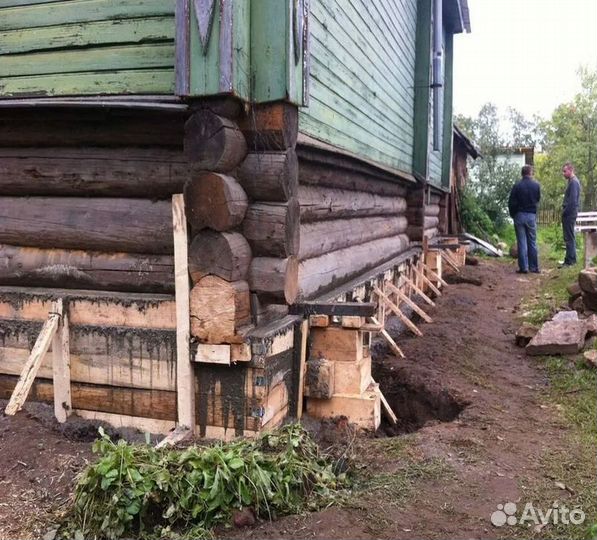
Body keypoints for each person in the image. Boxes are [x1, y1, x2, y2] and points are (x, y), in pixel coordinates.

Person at [508, 164, 541, 274]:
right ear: (530, 173)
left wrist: (513, 214)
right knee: (532, 241)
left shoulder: (517, 186)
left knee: (522, 242)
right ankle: (534, 267)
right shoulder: (536, 185)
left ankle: (524, 267)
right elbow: (537, 199)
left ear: (522, 173)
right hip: (531, 215)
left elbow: (511, 202)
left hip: (519, 215)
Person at [560, 162, 581, 267]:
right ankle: (569, 259)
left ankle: (570, 261)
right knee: (568, 237)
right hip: (569, 213)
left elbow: (572, 201)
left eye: (565, 171)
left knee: (569, 237)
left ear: (570, 170)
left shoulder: (574, 183)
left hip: (570, 214)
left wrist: (565, 212)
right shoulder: (571, 182)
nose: (563, 173)